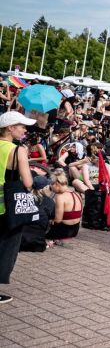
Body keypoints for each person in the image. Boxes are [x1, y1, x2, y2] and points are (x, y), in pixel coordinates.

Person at [0, 111, 36, 304]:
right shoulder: (17, 150)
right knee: (5, 246)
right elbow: (28, 181)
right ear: (9, 128)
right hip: (7, 207)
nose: (24, 129)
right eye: (21, 126)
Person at [46, 169, 82, 243]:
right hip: (75, 230)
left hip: (64, 231)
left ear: (56, 184)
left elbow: (58, 220)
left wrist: (51, 221)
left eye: (51, 186)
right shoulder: (77, 194)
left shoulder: (60, 197)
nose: (51, 189)